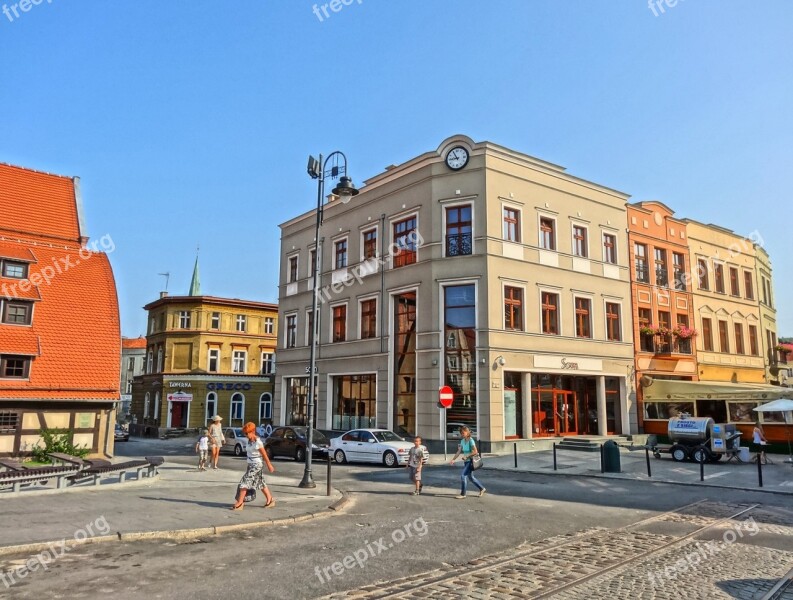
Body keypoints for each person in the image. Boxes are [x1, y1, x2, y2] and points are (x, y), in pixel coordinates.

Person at [231, 422, 276, 510]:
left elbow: (264, 455)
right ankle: (270, 500)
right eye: (245, 433)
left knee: (244, 482)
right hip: (251, 465)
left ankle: (240, 503)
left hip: (256, 465)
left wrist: (269, 465)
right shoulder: (249, 441)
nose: (246, 435)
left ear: (253, 431)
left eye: (247, 433)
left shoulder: (258, 442)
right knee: (260, 482)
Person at [449, 425, 486, 499]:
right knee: (471, 477)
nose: (462, 434)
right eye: (461, 433)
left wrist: (467, 456)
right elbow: (459, 451)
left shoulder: (471, 440)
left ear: (467, 432)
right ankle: (482, 488)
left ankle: (463, 494)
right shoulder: (462, 441)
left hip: (471, 461)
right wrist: (453, 459)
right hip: (466, 461)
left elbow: (475, 451)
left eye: (463, 433)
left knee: (463, 475)